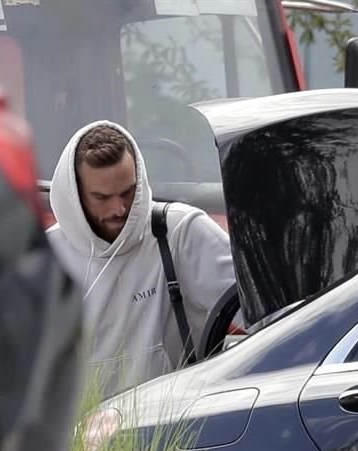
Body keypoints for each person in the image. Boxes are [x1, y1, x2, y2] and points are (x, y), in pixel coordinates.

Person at [47, 120, 237, 398]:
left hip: (177, 426)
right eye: (101, 197)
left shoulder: (180, 232)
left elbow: (264, 315)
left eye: (128, 192)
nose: (119, 208)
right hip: (82, 436)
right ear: (74, 194)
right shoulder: (48, 256)